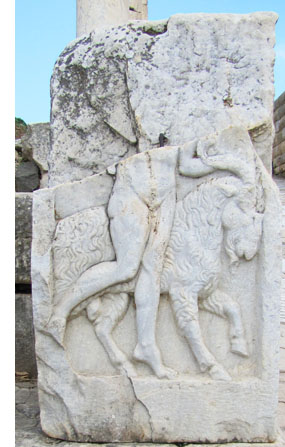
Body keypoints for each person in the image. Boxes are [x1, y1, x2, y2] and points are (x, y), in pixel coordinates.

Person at [49, 138, 216, 378]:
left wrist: (227, 166)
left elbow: (186, 166)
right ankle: (61, 310)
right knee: (126, 268)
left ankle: (146, 347)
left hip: (165, 198)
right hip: (132, 192)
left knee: (152, 273)